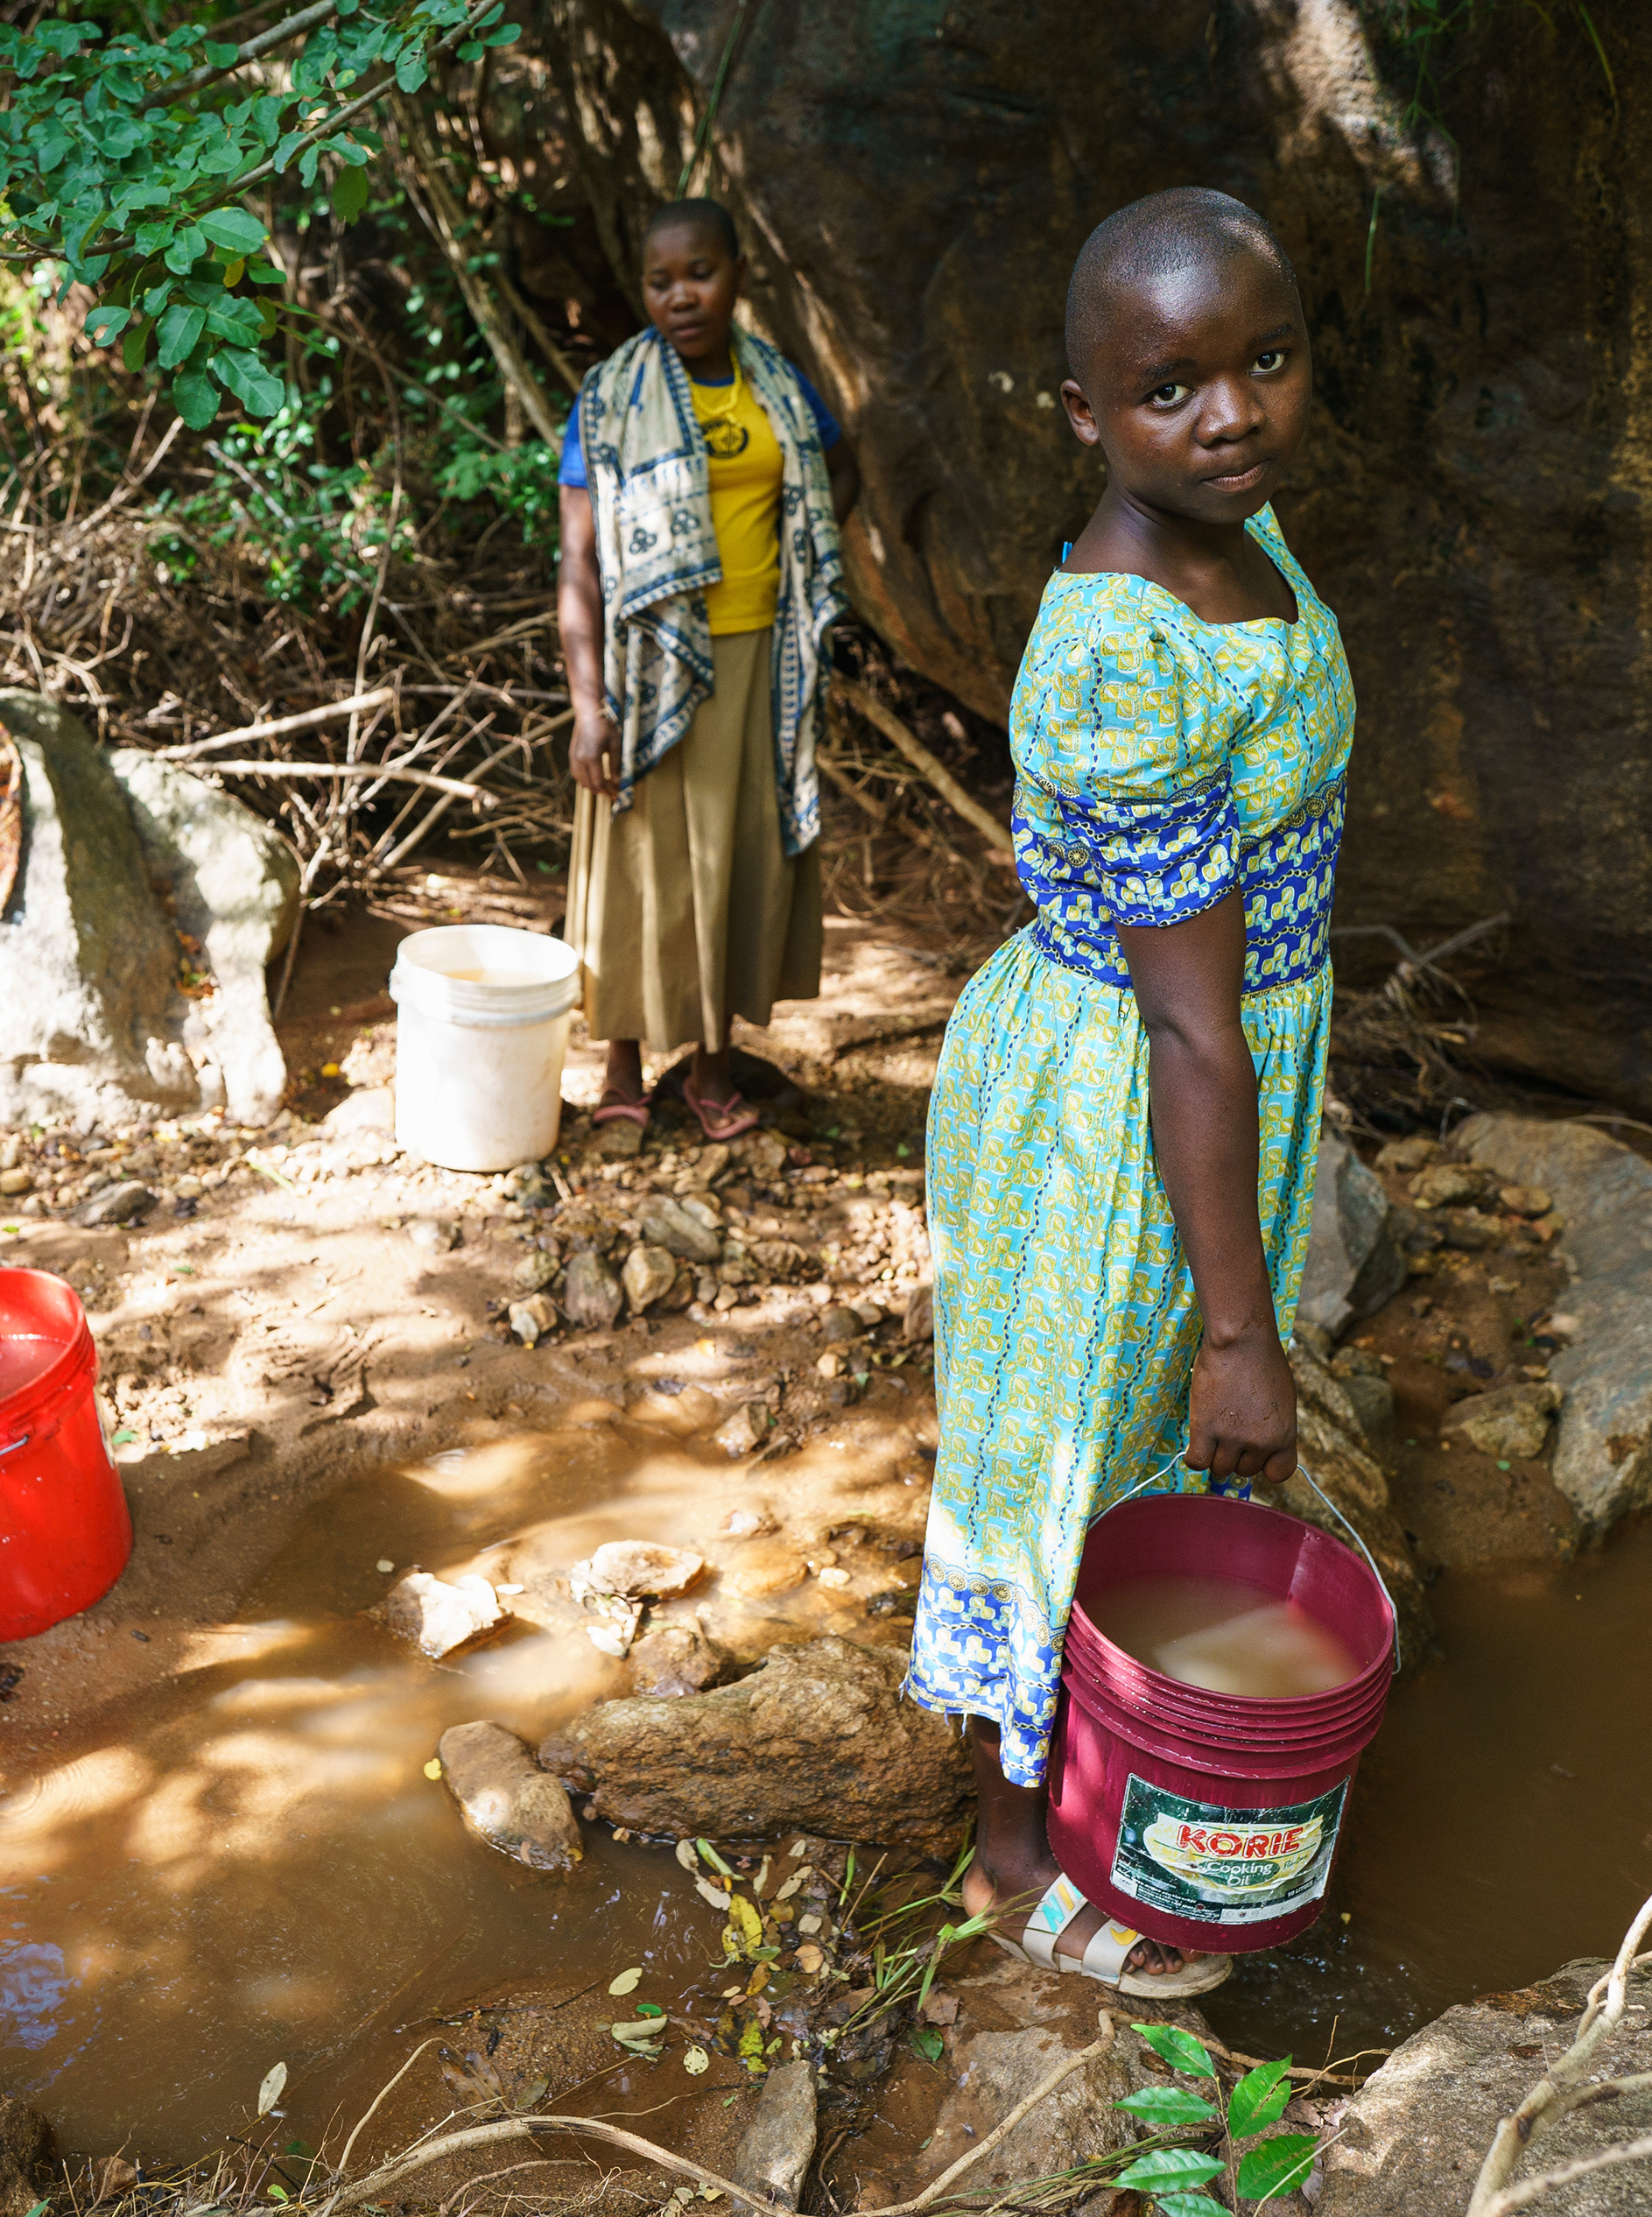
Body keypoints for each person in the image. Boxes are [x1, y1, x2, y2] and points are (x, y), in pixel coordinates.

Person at [905, 189, 1353, 1996]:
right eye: (1170, 387)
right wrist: (1246, 1327)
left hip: (1212, 1058)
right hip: (1119, 1091)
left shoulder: (1237, 535)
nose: (1232, 413)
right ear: (1083, 413)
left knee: (1143, 1441)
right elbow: (1186, 1026)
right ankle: (1012, 1850)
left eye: (1264, 360)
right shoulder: (1120, 654)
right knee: (1074, 1438)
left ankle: (1124, 1778)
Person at [559, 195, 861, 1143]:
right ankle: (622, 1064)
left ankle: (711, 1067)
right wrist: (586, 706)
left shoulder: (774, 386)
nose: (681, 295)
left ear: (737, 276)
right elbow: (577, 566)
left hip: (759, 656)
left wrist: (803, 547)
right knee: (637, 860)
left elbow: (837, 466)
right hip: (645, 666)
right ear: (643, 289)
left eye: (701, 274)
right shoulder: (610, 398)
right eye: (660, 280)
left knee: (733, 860)